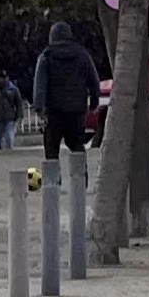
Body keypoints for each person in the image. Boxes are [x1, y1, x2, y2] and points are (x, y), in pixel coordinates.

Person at [31, 19, 102, 199]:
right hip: (77, 110)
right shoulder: (82, 55)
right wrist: (94, 101)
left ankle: (53, 182)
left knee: (51, 148)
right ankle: (80, 180)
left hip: (53, 111)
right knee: (77, 144)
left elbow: (40, 84)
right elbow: (93, 80)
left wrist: (39, 108)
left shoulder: (46, 56)